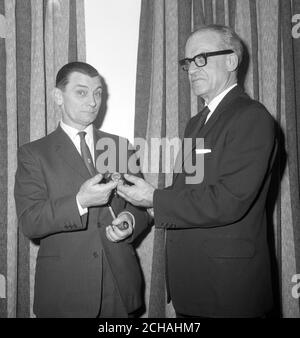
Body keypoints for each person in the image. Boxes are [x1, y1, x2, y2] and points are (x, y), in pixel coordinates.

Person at [117, 25, 277, 318]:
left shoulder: (251, 117)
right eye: (188, 62)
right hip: (193, 287)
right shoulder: (196, 122)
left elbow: (229, 201)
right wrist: (139, 207)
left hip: (229, 293)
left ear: (231, 61)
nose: (192, 68)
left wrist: (153, 198)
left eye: (201, 58)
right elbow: (186, 195)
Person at [14, 61, 148, 318]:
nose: (93, 101)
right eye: (82, 92)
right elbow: (30, 222)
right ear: (58, 97)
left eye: (98, 93)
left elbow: (140, 207)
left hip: (119, 287)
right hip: (65, 291)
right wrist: (80, 202)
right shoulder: (33, 154)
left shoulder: (120, 147)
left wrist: (130, 220)